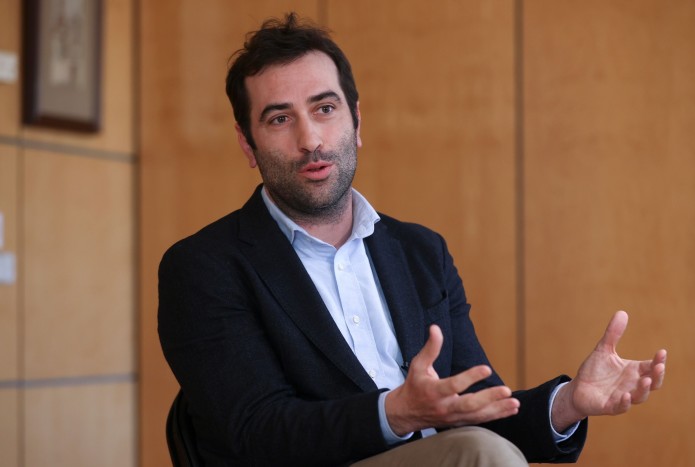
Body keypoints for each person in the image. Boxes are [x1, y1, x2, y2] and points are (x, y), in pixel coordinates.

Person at [158, 13, 667, 466]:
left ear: (357, 122)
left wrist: (569, 402)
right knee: (482, 454)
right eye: (279, 118)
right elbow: (254, 433)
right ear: (247, 144)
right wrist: (393, 413)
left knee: (486, 448)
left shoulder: (421, 252)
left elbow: (477, 407)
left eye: (325, 109)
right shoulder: (203, 267)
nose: (310, 138)